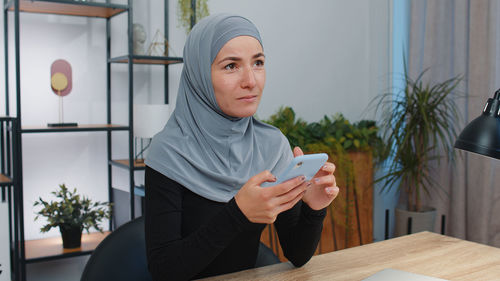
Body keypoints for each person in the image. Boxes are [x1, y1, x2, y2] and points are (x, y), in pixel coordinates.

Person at [144, 14, 339, 281]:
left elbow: (296, 253)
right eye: (231, 66)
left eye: (258, 63)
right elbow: (163, 270)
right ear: (199, 74)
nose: (251, 80)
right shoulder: (168, 152)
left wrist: (315, 208)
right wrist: (238, 213)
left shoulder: (271, 145)